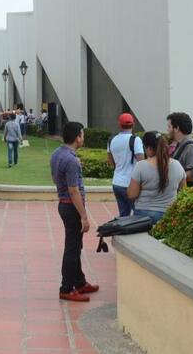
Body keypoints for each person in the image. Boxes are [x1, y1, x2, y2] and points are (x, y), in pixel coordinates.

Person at [51, 122, 98, 302]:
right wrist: (84, 216)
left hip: (64, 204)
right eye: (83, 135)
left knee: (76, 245)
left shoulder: (57, 154)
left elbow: (55, 178)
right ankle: (66, 287)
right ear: (77, 137)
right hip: (71, 207)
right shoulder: (71, 160)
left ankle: (79, 282)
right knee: (72, 248)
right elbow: (74, 190)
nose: (83, 138)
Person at [128, 131, 186, 224]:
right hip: (168, 215)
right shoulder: (177, 165)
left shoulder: (141, 166)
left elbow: (132, 195)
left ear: (149, 148)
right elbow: (183, 192)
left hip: (143, 215)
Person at [107, 113, 144, 216]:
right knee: (138, 215)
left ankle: (122, 232)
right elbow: (141, 162)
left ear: (119, 124)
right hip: (131, 184)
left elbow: (110, 161)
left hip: (117, 183)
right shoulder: (135, 140)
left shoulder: (111, 140)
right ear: (133, 124)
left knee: (123, 215)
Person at [166, 112, 193, 186]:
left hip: (188, 193)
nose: (167, 130)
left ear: (177, 128)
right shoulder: (181, 144)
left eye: (169, 126)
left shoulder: (190, 146)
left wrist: (173, 177)